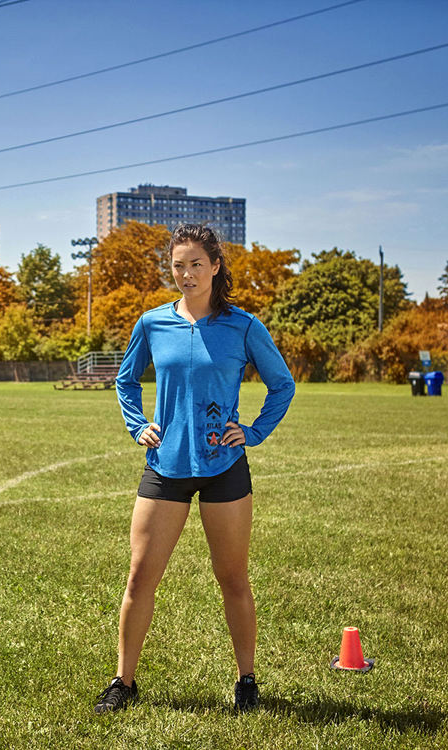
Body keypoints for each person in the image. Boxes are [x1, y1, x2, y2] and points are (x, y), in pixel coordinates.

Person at [95, 224, 295, 714]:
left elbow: (282, 385)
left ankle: (246, 679)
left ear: (215, 267)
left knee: (232, 577)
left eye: (196, 265)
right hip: (166, 466)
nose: (186, 274)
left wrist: (251, 432)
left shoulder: (244, 326)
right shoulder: (152, 323)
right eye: (178, 265)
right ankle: (124, 681)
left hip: (224, 465)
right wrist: (137, 424)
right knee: (140, 576)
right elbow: (125, 380)